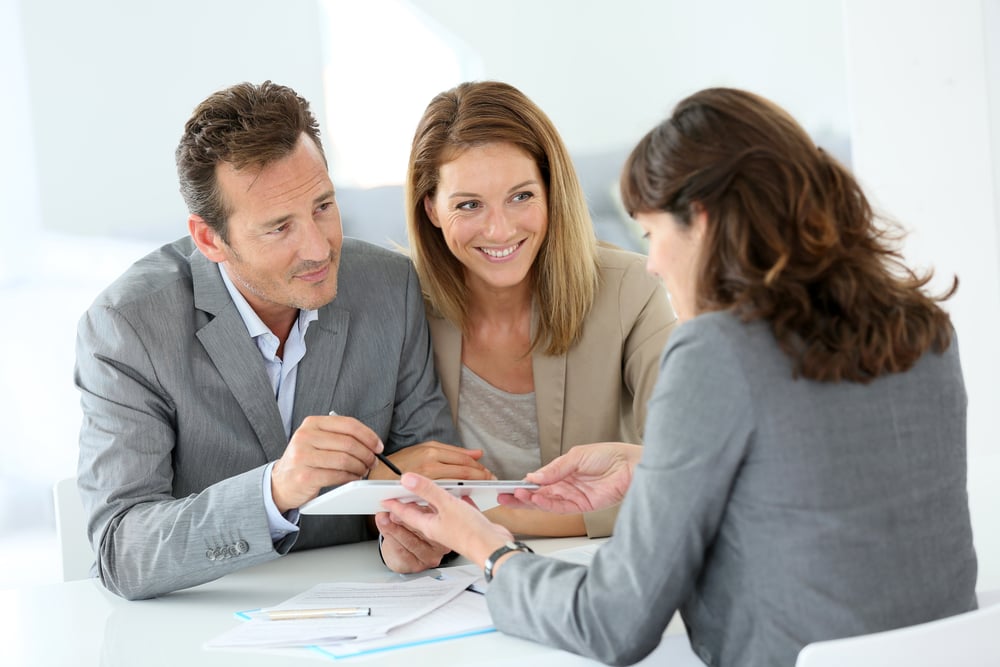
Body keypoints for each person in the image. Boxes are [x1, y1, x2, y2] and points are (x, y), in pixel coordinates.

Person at [381, 87, 979, 666]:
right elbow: (816, 480)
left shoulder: (715, 352)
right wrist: (650, 468)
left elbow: (610, 623)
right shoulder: (922, 328)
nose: (653, 262)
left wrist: (490, 550)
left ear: (702, 219)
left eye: (652, 233)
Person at [74, 80, 491, 601]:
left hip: (367, 612)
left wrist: (409, 542)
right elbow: (122, 552)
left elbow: (431, 478)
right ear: (209, 239)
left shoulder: (390, 286)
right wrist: (275, 490)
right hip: (198, 627)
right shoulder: (128, 325)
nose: (318, 248)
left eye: (322, 206)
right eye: (278, 228)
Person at [400, 80, 676, 539]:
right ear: (431, 209)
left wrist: (490, 522)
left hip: (594, 575)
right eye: (469, 205)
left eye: (521, 196)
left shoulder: (632, 290)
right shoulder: (402, 306)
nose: (500, 229)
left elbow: (687, 471)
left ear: (551, 189)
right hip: (444, 585)